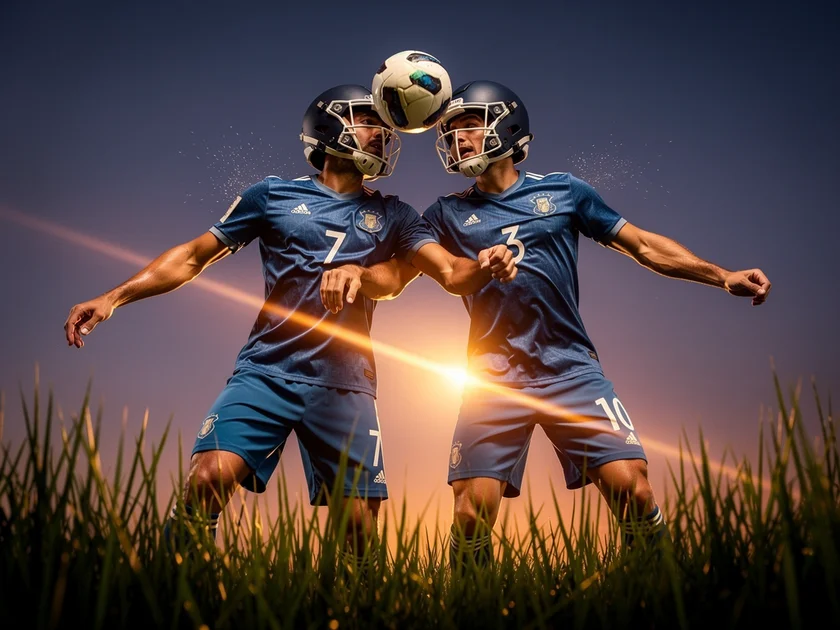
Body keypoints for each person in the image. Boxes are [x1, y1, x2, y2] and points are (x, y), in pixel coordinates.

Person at [62, 84, 517, 570]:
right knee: (207, 478)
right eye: (368, 120)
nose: (381, 133)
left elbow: (442, 274)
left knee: (359, 528)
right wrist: (114, 297)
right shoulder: (272, 196)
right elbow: (194, 256)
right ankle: (168, 592)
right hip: (266, 372)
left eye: (384, 126)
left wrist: (481, 264)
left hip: (345, 386)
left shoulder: (395, 214)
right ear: (328, 126)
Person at [323, 80, 772, 571]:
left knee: (633, 489)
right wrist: (360, 274)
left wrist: (722, 275)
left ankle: (663, 585)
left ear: (507, 126)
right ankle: (470, 605)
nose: (458, 138)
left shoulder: (564, 191)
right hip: (491, 378)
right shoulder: (445, 213)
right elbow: (401, 276)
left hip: (570, 369)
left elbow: (643, 245)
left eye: (469, 124)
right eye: (451, 130)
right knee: (472, 512)